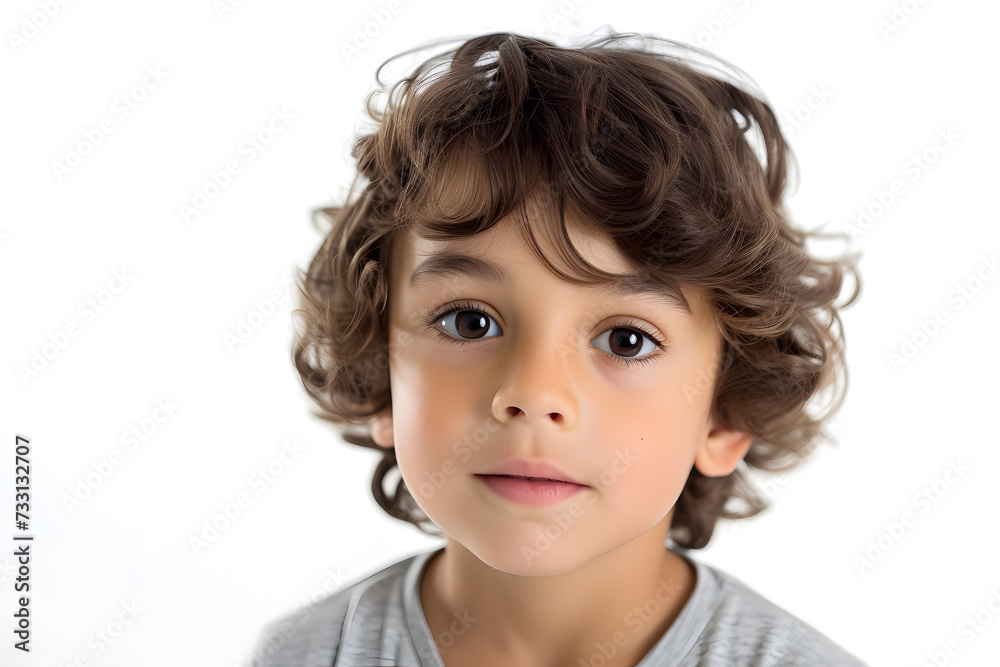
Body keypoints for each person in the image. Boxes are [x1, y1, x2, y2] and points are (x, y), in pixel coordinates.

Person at [248, 30, 866, 667]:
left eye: (626, 340)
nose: (533, 395)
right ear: (380, 372)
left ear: (725, 413)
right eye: (468, 322)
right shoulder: (310, 654)